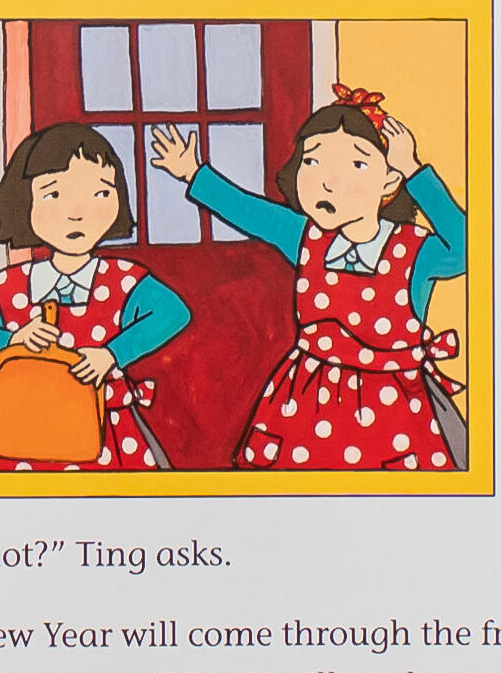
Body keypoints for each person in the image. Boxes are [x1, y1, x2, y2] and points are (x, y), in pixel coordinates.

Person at [149, 85, 466, 474]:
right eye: (312, 161)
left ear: (389, 181)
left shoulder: (414, 249)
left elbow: (467, 248)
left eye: (356, 164)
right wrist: (192, 173)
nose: (326, 181)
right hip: (304, 406)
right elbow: (247, 211)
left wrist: (416, 171)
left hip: (395, 411)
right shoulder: (306, 236)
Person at [0, 121, 190, 471]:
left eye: (99, 194)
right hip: (23, 433)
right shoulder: (12, 285)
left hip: (104, 433)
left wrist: (112, 354)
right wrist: (10, 341)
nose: (77, 212)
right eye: (54, 195)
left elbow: (172, 312)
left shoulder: (121, 279)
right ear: (24, 201)